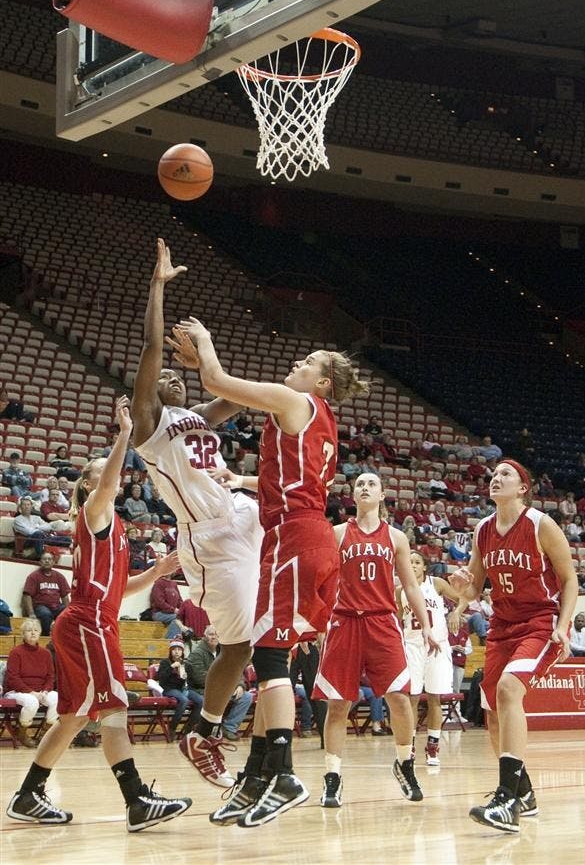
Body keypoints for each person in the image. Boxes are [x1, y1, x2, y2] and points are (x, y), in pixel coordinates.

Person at [167, 314, 369, 827]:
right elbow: (295, 482)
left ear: (323, 383)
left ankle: (283, 773)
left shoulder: (296, 401)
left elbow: (217, 383)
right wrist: (242, 480)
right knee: (269, 653)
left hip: (295, 539)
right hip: (303, 536)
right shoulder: (316, 418)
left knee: (271, 657)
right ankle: (257, 776)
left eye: (309, 362)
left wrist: (204, 343)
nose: (297, 363)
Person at [6, 396, 192, 831]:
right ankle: (136, 800)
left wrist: (156, 572)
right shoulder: (95, 510)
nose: (112, 475)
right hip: (87, 621)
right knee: (115, 708)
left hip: (92, 619)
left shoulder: (114, 526)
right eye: (102, 471)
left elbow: (119, 589)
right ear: (90, 484)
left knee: (74, 717)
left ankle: (28, 795)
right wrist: (124, 434)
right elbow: (109, 483)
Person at [131, 239, 263, 789]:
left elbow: (239, 396)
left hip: (241, 512)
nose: (171, 378)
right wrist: (158, 286)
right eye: (164, 378)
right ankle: (203, 732)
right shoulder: (150, 426)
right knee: (238, 645)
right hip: (209, 539)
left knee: (299, 531)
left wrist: (202, 364)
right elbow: (150, 349)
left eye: (175, 375)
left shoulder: (199, 413)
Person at [449, 459, 577, 833]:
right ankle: (524, 793)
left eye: (505, 474)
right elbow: (476, 586)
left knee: (508, 690)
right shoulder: (483, 529)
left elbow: (570, 579)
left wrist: (563, 627)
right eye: (493, 474)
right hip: (502, 625)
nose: (496, 478)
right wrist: (463, 587)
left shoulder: (540, 524)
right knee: (492, 714)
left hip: (540, 622)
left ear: (523, 487)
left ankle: (506, 800)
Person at [308, 474, 440, 808]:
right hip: (345, 621)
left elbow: (411, 586)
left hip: (383, 621)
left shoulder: (396, 537)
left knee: (400, 698)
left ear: (382, 495)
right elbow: (321, 583)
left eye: (371, 484)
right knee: (338, 703)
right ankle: (332, 777)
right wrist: (316, 624)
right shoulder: (337, 533)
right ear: (353, 495)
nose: (365, 487)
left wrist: (426, 625)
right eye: (359, 484)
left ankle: (405, 763)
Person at [398, 551, 462, 766]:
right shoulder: (400, 590)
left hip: (437, 646)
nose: (413, 565)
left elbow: (462, 599)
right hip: (412, 646)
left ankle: (433, 747)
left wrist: (455, 612)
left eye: (417, 562)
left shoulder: (436, 584)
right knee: (412, 698)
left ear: (424, 567)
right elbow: (397, 621)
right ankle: (410, 746)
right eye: (409, 562)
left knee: (435, 697)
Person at [185, 626, 253, 741]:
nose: (214, 637)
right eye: (211, 634)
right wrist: (225, 686)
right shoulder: (197, 654)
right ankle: (201, 731)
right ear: (205, 636)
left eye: (217, 634)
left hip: (222, 689)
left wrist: (240, 685)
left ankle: (229, 728)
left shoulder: (224, 652)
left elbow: (235, 670)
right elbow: (199, 678)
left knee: (247, 697)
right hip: (200, 690)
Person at [3, 618, 58, 748]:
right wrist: (32, 692)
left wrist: (45, 691)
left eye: (35, 630)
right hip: (16, 691)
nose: (33, 633)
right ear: (23, 634)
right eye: (29, 630)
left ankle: (45, 733)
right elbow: (13, 678)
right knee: (32, 701)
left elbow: (50, 676)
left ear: (39, 633)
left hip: (40, 691)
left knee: (57, 698)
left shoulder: (46, 653)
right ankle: (22, 732)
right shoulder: (16, 652)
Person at [157, 638, 203, 740]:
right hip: (169, 689)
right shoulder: (165, 662)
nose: (177, 652)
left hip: (183, 689)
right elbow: (160, 677)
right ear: (170, 651)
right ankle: (172, 728)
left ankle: (188, 729)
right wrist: (171, 667)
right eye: (174, 649)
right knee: (184, 700)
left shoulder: (185, 664)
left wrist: (188, 676)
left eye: (179, 649)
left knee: (201, 701)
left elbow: (191, 680)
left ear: (182, 651)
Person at [22, 551, 70, 636]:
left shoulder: (60, 577)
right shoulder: (33, 576)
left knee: (65, 613)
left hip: (56, 607)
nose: (47, 561)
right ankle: (46, 637)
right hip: (40, 607)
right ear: (40, 562)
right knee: (45, 614)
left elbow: (65, 596)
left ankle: (61, 637)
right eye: (44, 559)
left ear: (53, 562)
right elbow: (27, 596)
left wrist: (68, 611)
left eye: (49, 559)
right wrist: (31, 613)